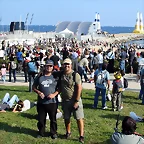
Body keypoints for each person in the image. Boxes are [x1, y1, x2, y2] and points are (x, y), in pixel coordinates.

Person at [58, 58, 84, 143]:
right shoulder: (61, 74)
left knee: (79, 118)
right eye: (65, 64)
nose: (66, 66)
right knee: (66, 118)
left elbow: (79, 88)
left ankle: (81, 136)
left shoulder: (75, 74)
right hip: (65, 100)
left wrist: (76, 101)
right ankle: (68, 132)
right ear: (63, 65)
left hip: (75, 100)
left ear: (71, 65)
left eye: (68, 64)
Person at [32, 60, 59, 139]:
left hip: (52, 102)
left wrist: (54, 94)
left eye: (50, 66)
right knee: (41, 119)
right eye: (47, 66)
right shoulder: (40, 76)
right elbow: (33, 87)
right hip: (41, 102)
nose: (49, 67)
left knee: (53, 119)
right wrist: (39, 92)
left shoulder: (55, 76)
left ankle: (53, 133)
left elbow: (60, 88)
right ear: (45, 66)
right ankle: (41, 132)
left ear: (53, 67)